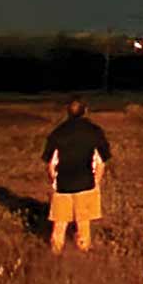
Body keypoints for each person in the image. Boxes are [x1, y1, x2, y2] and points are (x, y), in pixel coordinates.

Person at [41, 96, 112, 254]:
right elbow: (101, 162)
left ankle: (55, 254)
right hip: (86, 183)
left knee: (59, 225)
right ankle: (83, 255)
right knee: (83, 224)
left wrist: (55, 181)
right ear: (85, 111)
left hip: (63, 185)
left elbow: (51, 163)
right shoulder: (94, 131)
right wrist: (96, 182)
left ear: (68, 112)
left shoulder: (58, 133)